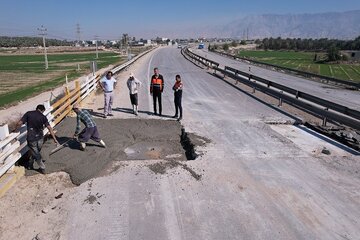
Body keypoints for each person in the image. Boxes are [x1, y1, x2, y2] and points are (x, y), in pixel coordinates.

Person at [15, 104, 59, 174]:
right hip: (40, 138)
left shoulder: (28, 114)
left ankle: (42, 167)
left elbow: (19, 123)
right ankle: (30, 164)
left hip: (31, 138)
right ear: (42, 110)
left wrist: (15, 130)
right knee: (36, 152)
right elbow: (49, 128)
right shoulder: (43, 117)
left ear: (37, 108)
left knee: (36, 153)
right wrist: (54, 138)